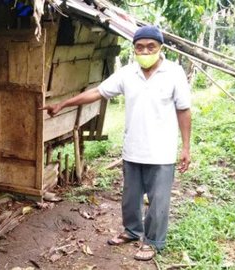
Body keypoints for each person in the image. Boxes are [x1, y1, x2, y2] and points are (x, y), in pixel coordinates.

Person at [41, 25, 192, 261]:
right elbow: (97, 92)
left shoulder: (174, 73)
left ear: (160, 47)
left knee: (158, 201)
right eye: (140, 47)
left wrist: (185, 147)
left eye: (150, 46)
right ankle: (132, 231)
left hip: (162, 152)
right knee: (130, 198)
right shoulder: (128, 73)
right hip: (133, 149)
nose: (145, 51)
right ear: (134, 49)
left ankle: (152, 242)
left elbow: (184, 110)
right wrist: (63, 104)